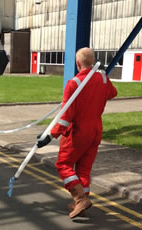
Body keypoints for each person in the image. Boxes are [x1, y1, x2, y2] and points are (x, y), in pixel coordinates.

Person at [37, 47, 117, 219]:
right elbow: (113, 93)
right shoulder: (102, 78)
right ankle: (81, 202)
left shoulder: (74, 83)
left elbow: (66, 116)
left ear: (78, 63)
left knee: (63, 165)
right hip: (96, 130)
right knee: (84, 169)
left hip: (78, 132)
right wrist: (102, 78)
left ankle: (80, 198)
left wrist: (50, 135)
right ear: (93, 61)